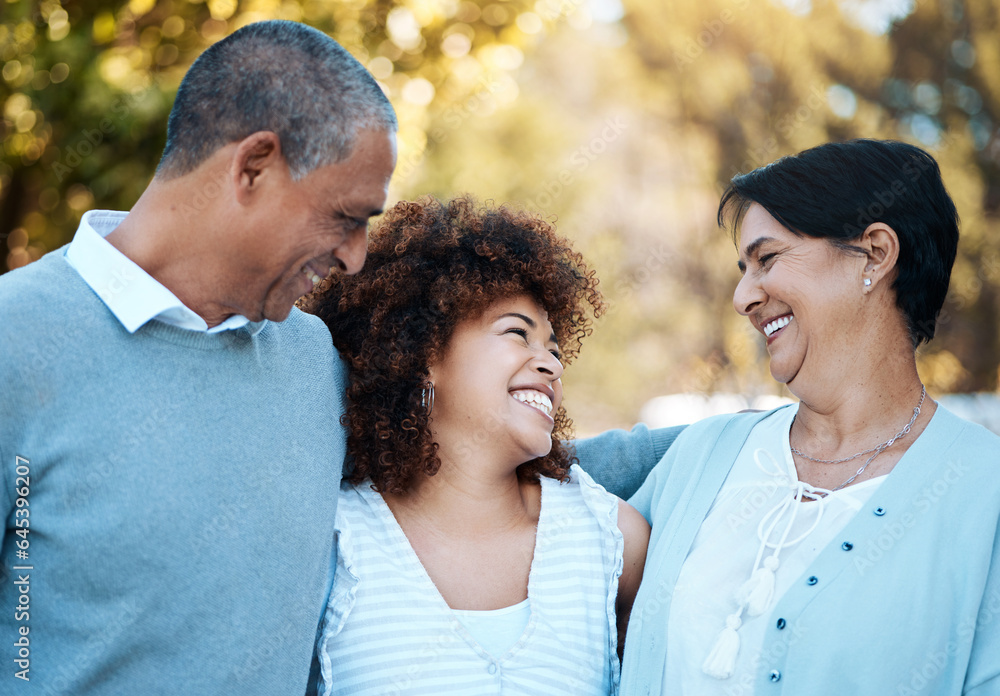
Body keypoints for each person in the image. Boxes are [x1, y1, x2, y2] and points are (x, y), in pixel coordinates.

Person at [0, 21, 396, 694]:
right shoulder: (15, 337)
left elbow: (475, 470)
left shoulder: (316, 362)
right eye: (346, 218)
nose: (356, 256)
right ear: (254, 167)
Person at [589, 139, 1000, 695]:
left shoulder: (983, 494)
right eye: (743, 267)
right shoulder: (702, 454)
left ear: (876, 253)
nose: (742, 296)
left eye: (768, 258)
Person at [300, 196, 650, 695]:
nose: (551, 364)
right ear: (420, 353)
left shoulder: (612, 539)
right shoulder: (333, 541)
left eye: (553, 347)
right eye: (517, 333)